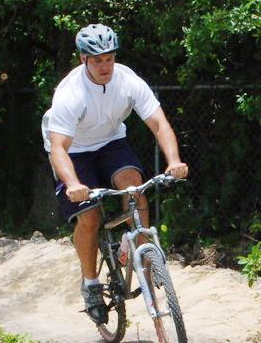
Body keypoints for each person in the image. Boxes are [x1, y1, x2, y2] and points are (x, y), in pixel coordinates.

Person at [41, 23, 188, 325]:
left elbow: (159, 123)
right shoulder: (71, 93)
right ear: (83, 60)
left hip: (110, 141)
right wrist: (73, 184)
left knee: (135, 187)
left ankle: (142, 254)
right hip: (73, 151)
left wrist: (174, 161)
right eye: (97, 60)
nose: (105, 65)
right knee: (90, 217)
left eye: (109, 58)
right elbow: (58, 147)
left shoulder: (127, 81)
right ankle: (91, 284)